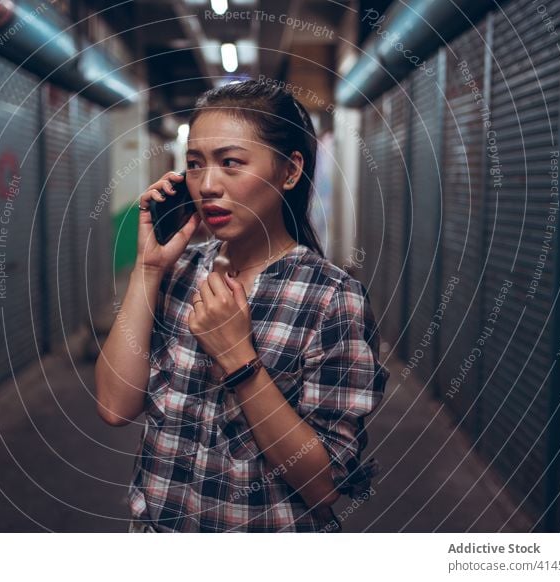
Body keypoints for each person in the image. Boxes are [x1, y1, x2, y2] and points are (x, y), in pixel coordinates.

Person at [95, 80, 389, 533]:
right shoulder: (176, 272)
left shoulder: (331, 298)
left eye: (230, 162)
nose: (207, 184)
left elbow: (325, 485)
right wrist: (148, 271)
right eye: (195, 164)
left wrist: (238, 359)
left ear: (289, 171)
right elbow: (115, 406)